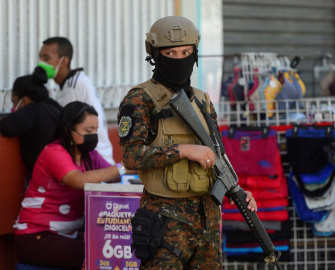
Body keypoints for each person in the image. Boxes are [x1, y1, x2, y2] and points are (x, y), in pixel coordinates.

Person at [118, 16, 257, 269]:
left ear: (195, 54)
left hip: (208, 223)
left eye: (186, 52)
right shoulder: (140, 99)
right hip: (165, 224)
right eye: (170, 52)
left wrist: (235, 189)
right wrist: (182, 150)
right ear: (155, 55)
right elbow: (131, 156)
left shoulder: (203, 101)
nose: (179, 58)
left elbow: (217, 156)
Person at [13, 101, 135, 269]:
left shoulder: (89, 155)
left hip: (66, 234)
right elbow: (78, 180)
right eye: (88, 131)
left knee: (115, 245)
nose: (93, 135)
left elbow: (112, 175)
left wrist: (141, 167)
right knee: (100, 253)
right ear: (68, 130)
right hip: (36, 236)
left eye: (95, 131)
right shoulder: (54, 153)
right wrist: (121, 167)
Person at [37, 36, 115, 165]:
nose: (41, 63)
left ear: (64, 61)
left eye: (46, 58)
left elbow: (62, 126)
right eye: (40, 58)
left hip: (94, 160)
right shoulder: (73, 82)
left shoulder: (73, 85)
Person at [0, 67, 62, 181]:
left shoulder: (32, 110)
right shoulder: (53, 106)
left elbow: (9, 126)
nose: (13, 107)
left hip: (44, 178)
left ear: (24, 100)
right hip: (59, 171)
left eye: (14, 102)